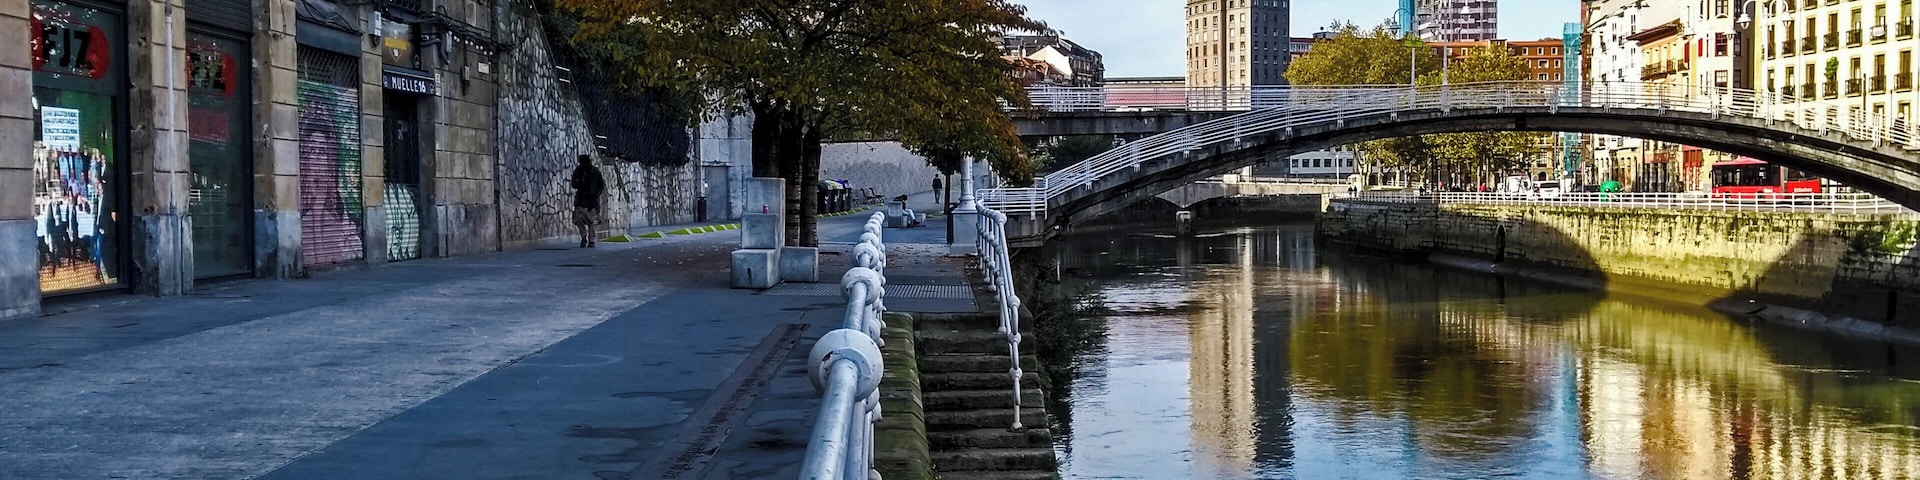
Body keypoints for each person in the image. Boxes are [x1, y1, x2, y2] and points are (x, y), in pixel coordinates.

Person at [569, 154, 606, 248]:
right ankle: (584, 237)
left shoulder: (594, 171)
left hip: (592, 200)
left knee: (592, 221)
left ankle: (591, 240)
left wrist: (596, 193)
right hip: (581, 200)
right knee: (578, 220)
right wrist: (578, 182)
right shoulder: (578, 171)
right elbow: (573, 184)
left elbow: (601, 184)